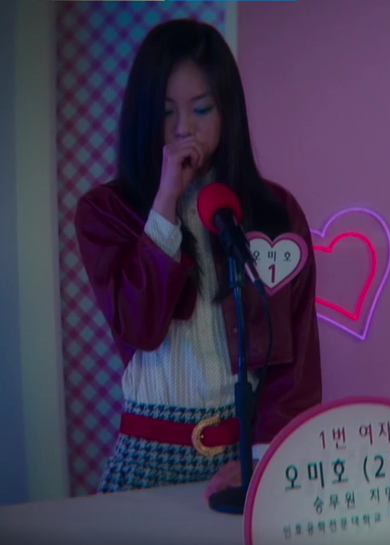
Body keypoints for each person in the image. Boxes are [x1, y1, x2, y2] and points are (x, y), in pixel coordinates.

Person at [74, 19, 322, 493]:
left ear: (228, 111)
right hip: (148, 456)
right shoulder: (105, 211)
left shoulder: (274, 212)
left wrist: (266, 456)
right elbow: (140, 327)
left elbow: (297, 360)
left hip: (245, 452)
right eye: (166, 112)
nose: (184, 128)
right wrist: (166, 202)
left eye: (202, 109)